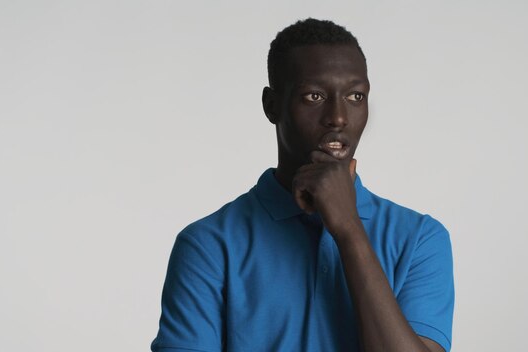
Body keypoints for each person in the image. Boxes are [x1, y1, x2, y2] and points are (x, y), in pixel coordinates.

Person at [151, 18, 454, 352]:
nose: (338, 117)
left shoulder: (419, 238)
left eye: (355, 96)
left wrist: (349, 228)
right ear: (271, 105)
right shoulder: (209, 245)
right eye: (314, 96)